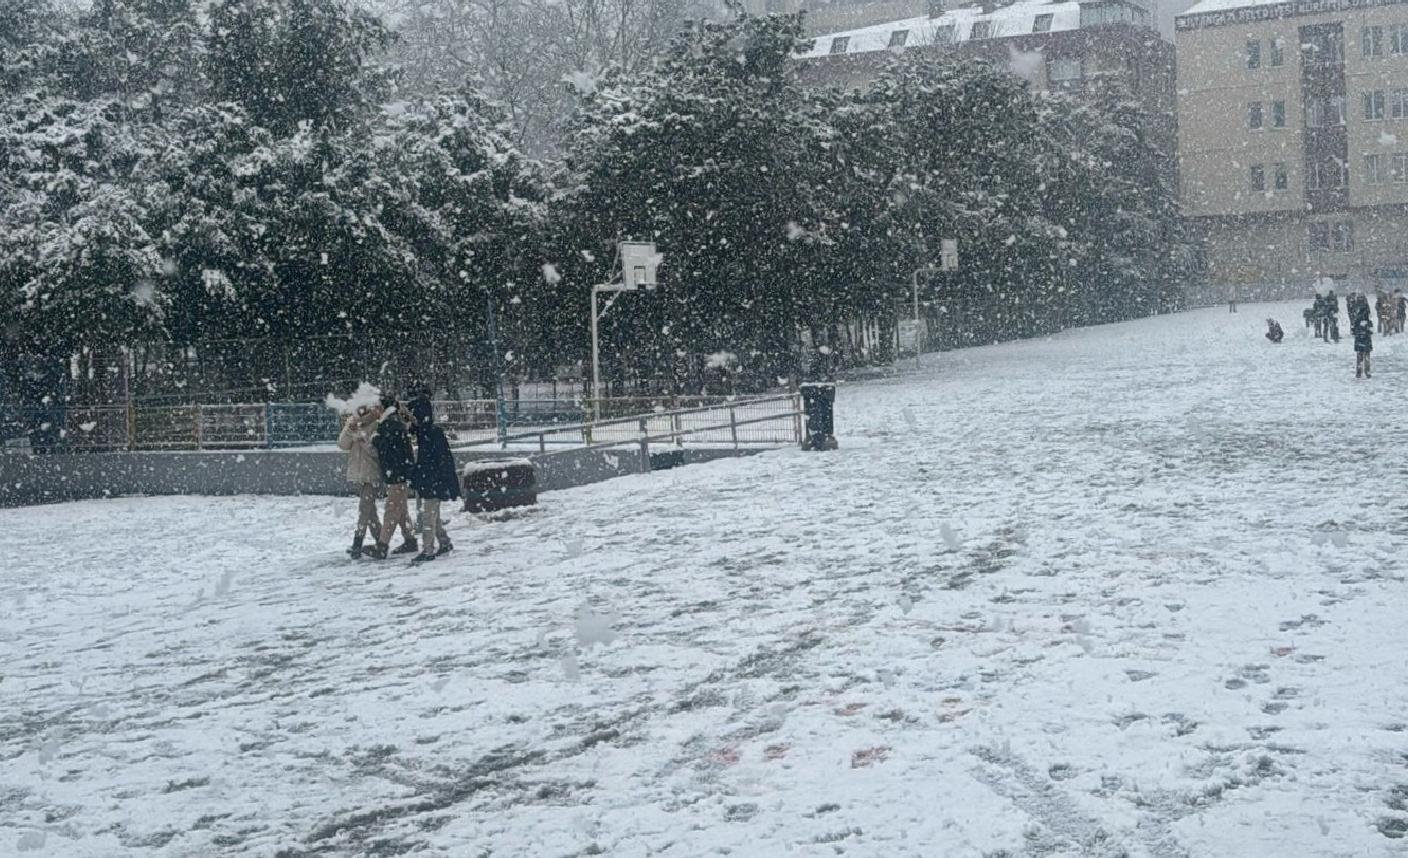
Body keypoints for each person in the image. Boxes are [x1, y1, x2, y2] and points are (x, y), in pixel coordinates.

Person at [365, 396, 418, 560]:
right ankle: (410, 539)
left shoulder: (390, 424)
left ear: (383, 408)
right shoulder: (393, 422)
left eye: (377, 407)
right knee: (400, 509)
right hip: (399, 472)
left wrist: (376, 439)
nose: (375, 410)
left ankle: (382, 546)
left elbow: (388, 449)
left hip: (396, 473)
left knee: (392, 509)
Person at [408, 395, 459, 563]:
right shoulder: (428, 431)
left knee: (428, 516)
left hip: (432, 480)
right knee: (433, 514)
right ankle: (444, 542)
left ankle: (428, 550)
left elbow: (441, 459)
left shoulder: (429, 433)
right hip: (432, 480)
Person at [336, 402, 383, 558]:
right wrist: (350, 430)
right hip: (358, 474)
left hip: (372, 473)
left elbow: (376, 452)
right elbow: (342, 444)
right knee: (370, 511)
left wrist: (362, 439)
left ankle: (358, 541)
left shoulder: (376, 425)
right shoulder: (353, 422)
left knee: (364, 508)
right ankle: (381, 539)